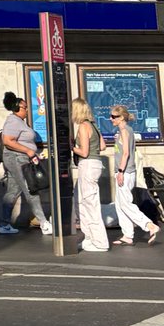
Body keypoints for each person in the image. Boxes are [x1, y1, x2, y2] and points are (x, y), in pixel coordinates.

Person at [0, 92, 51, 235]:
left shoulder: (19, 121)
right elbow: (7, 141)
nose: (27, 110)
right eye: (25, 107)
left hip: (19, 158)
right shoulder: (13, 121)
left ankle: (4, 224)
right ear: (17, 108)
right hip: (17, 158)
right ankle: (44, 223)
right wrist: (28, 150)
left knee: (13, 192)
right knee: (31, 188)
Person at [108, 106, 160, 245]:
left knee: (125, 204)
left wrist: (120, 171)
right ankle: (127, 235)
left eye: (113, 117)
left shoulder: (124, 131)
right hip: (126, 171)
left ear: (121, 118)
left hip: (125, 172)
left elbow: (126, 153)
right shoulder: (126, 130)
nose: (111, 119)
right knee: (120, 205)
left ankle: (148, 225)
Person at [71, 97, 109, 252]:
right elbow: (103, 146)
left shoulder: (83, 126)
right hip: (95, 164)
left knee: (90, 204)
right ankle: (89, 238)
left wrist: (72, 147)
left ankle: (100, 242)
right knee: (80, 201)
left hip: (87, 165)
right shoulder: (93, 125)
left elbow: (84, 152)